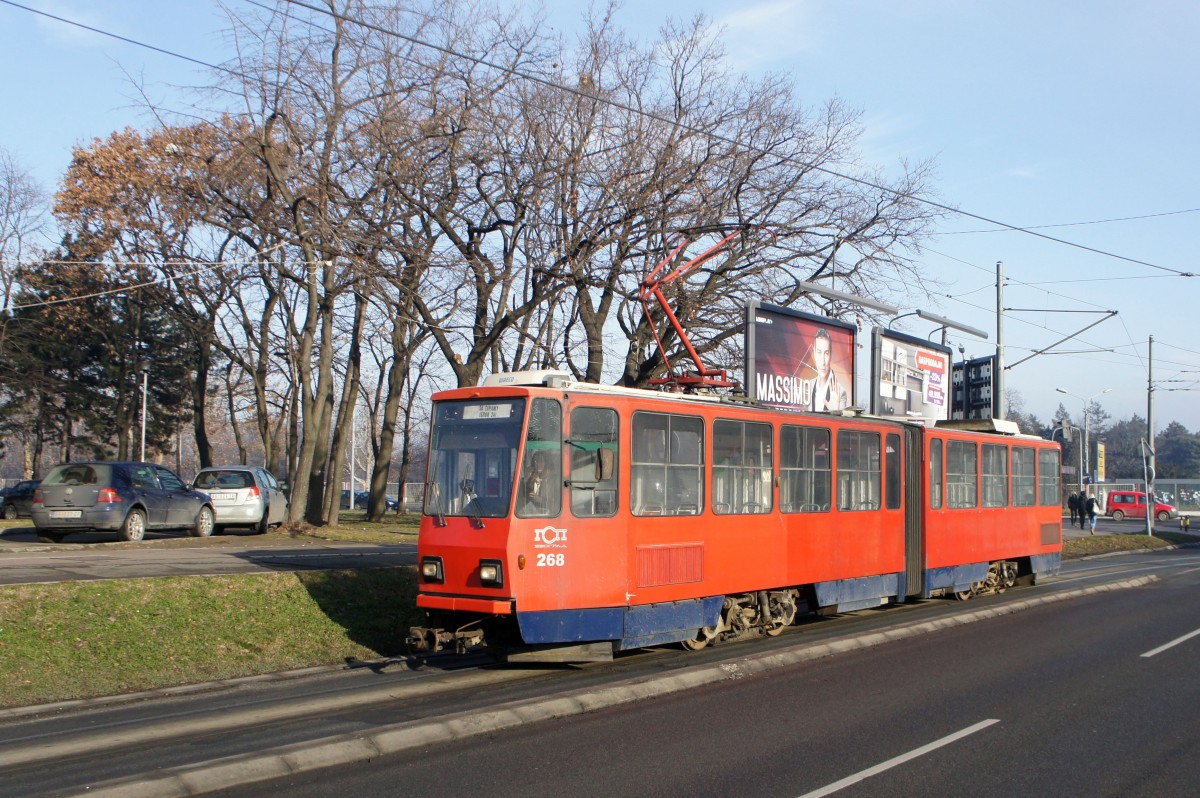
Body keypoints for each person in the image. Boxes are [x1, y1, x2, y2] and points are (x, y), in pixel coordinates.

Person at [809, 328, 850, 412]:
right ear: (814, 353)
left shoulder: (840, 392)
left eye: (826, 353)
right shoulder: (808, 386)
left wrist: (835, 410)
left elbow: (842, 420)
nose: (823, 361)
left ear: (831, 355)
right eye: (819, 352)